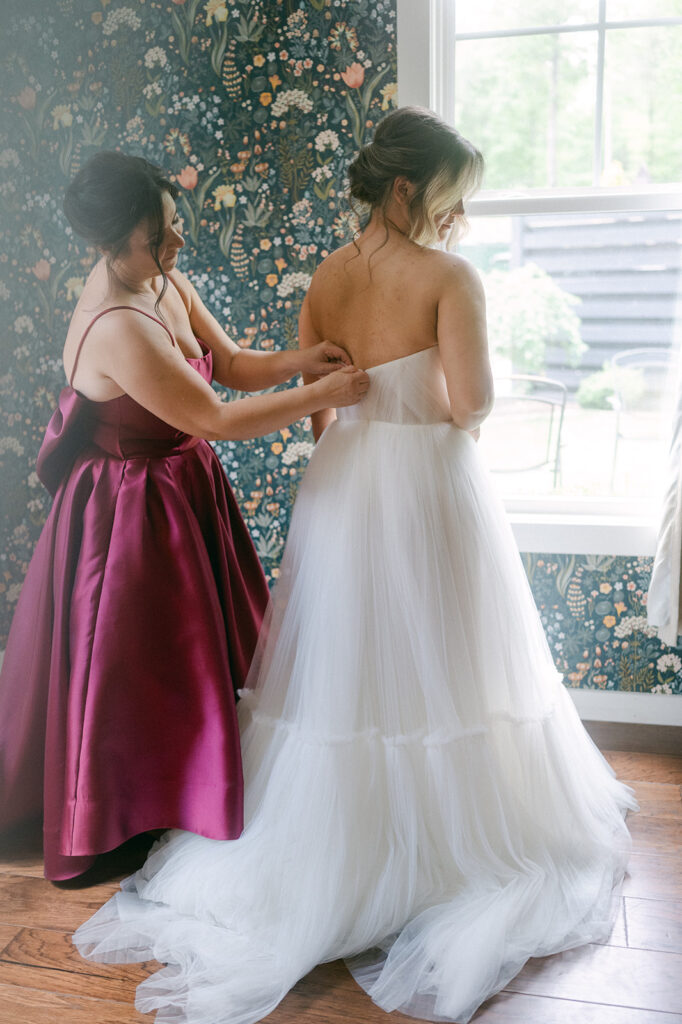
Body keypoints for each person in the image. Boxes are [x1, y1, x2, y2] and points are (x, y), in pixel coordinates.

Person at [74, 110, 635, 1023]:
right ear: (410, 189)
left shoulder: (329, 273)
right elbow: (471, 407)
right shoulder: (452, 278)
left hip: (340, 489)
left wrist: (351, 439)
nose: (460, 215)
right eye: (454, 195)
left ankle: (336, 850)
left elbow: (317, 401)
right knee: (449, 667)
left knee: (344, 674)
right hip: (426, 486)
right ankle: (439, 846)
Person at [0, 150, 369, 881]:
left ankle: (188, 793)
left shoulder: (161, 277)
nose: (175, 245)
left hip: (175, 485)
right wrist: (334, 394)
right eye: (157, 236)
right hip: (128, 511)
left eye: (174, 227)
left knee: (193, 661)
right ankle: (120, 815)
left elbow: (227, 363)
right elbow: (218, 418)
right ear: (110, 246)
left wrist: (306, 362)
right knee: (138, 674)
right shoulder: (117, 326)